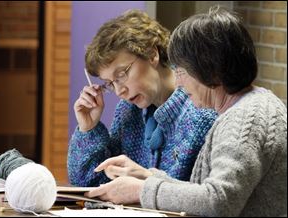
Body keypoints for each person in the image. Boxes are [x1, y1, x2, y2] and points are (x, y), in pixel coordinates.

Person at [85, 6, 287, 217]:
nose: (178, 81)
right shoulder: (246, 108)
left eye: (181, 71)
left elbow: (219, 200)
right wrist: (147, 177)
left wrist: (141, 190)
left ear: (210, 69)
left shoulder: (246, 117)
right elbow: (202, 191)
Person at [68, 10, 217, 187]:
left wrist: (146, 183)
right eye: (110, 83)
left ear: (152, 54)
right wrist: (88, 128)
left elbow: (206, 198)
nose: (119, 91)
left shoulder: (202, 111)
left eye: (122, 74)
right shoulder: (128, 111)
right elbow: (89, 182)